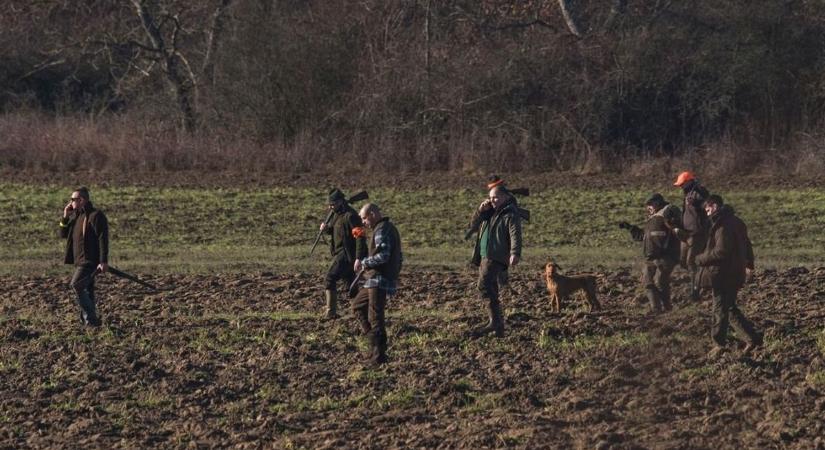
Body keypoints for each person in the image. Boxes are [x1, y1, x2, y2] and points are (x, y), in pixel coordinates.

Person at [695, 194, 762, 356]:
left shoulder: (722, 225)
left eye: (708, 208)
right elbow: (747, 245)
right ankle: (752, 338)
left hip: (724, 274)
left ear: (715, 206)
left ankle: (719, 344)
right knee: (729, 307)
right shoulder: (737, 222)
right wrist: (749, 265)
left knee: (719, 308)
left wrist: (701, 259)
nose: (707, 212)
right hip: (735, 272)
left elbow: (721, 251)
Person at [467, 185, 522, 338]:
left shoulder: (510, 214)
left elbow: (515, 234)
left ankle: (494, 322)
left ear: (505, 197)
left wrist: (515, 253)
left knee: (483, 286)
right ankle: (498, 326)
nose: (493, 200)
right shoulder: (488, 212)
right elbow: (472, 226)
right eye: (490, 198)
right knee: (490, 287)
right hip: (485, 256)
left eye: (496, 197)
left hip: (496, 257)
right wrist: (479, 210)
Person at [352, 203, 402, 366]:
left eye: (364, 218)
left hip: (378, 279)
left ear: (373, 214)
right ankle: (373, 347)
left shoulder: (382, 229)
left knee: (375, 318)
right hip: (374, 279)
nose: (363, 222)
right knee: (358, 306)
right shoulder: (385, 228)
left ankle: (378, 356)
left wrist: (365, 262)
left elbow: (384, 256)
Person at [620, 193, 682, 313]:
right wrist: (630, 228)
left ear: (657, 202)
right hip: (650, 257)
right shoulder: (652, 219)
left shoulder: (669, 211)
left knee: (660, 281)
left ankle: (668, 308)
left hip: (666, 256)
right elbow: (644, 236)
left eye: (650, 205)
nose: (648, 208)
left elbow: (678, 230)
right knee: (648, 282)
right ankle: (656, 310)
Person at [58, 187, 109, 327]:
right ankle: (89, 323)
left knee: (77, 285)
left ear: (82, 200)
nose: (70, 203)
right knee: (88, 290)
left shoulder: (96, 215)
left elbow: (102, 239)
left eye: (73, 199)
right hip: (79, 260)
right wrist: (65, 216)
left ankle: (91, 319)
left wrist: (103, 261)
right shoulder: (77, 217)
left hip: (89, 261)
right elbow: (63, 234)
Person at [318, 188, 367, 319]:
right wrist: (326, 229)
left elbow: (360, 237)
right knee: (350, 286)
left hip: (347, 255)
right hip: (339, 253)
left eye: (333, 204)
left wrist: (358, 258)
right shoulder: (335, 214)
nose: (330, 206)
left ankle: (330, 312)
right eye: (330, 204)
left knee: (329, 278)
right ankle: (360, 312)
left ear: (340, 202)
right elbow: (335, 231)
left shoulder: (351, 216)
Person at [673, 171, 711, 301]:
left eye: (682, 184)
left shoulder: (698, 192)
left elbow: (707, 202)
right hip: (686, 233)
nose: (680, 187)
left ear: (689, 182)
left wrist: (700, 194)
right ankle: (702, 277)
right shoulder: (688, 194)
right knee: (683, 261)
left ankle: (695, 290)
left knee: (691, 262)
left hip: (697, 234)